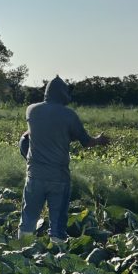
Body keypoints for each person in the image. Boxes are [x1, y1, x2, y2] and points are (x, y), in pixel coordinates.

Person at [19, 76, 109, 242]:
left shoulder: (31, 110)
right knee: (58, 223)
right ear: (62, 94)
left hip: (34, 176)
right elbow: (86, 141)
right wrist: (99, 140)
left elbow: (28, 137)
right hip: (58, 178)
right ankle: (57, 256)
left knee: (29, 218)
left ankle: (22, 252)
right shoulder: (69, 115)